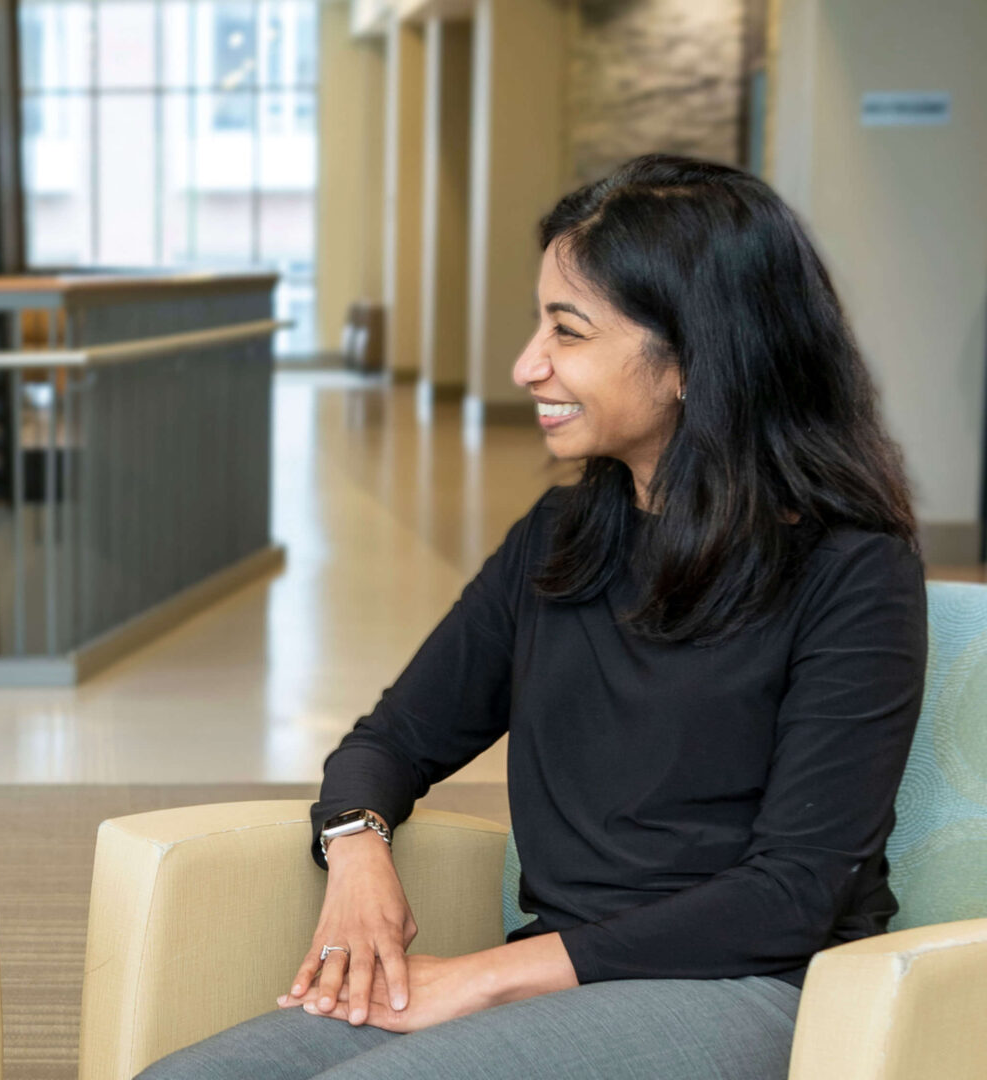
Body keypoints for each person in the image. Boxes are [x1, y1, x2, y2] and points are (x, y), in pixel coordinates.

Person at [140, 155, 927, 1079]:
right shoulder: (562, 537)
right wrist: (357, 850)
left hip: (747, 986)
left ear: (696, 360)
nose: (528, 365)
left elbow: (789, 896)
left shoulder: (852, 568)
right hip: (555, 973)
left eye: (569, 329)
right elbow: (391, 739)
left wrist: (485, 979)